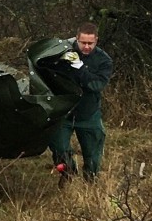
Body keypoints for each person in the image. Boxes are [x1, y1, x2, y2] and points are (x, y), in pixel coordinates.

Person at [49, 22, 114, 182]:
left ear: (96, 41)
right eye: (82, 42)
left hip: (88, 113)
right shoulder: (63, 50)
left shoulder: (103, 61)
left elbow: (96, 85)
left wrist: (80, 67)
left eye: (90, 43)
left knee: (92, 156)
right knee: (58, 148)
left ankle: (90, 185)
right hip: (64, 111)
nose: (86, 46)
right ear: (76, 39)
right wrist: (57, 61)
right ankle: (68, 175)